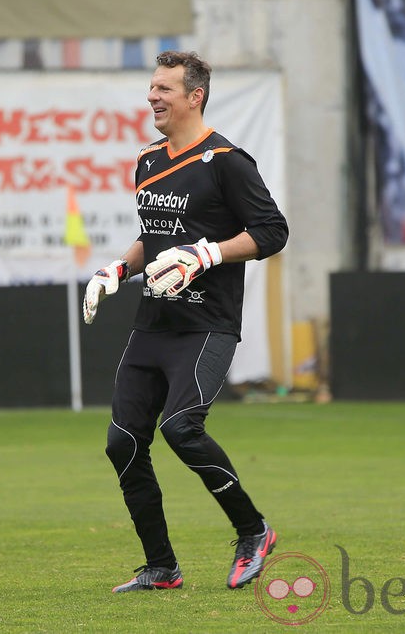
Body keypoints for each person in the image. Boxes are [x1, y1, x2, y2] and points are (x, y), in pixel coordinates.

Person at [82, 51, 289, 593]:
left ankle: (253, 531)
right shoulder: (149, 159)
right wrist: (118, 268)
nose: (153, 96)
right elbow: (153, 235)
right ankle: (161, 568)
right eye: (151, 88)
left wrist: (207, 256)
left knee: (180, 427)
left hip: (207, 326)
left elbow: (272, 232)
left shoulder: (227, 160)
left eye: (164, 89)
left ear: (195, 96)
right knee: (122, 443)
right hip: (153, 324)